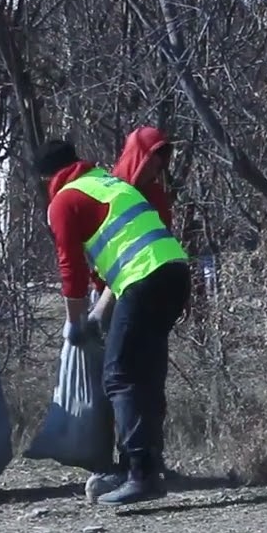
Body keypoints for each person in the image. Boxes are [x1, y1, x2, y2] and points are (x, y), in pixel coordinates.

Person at [35, 139, 192, 506]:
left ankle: (140, 474)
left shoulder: (64, 201)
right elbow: (117, 259)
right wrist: (98, 313)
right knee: (146, 375)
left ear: (47, 177)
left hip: (144, 279)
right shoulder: (109, 183)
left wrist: (75, 322)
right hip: (174, 272)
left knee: (120, 376)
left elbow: (70, 268)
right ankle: (148, 467)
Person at [81, 126, 185, 502]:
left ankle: (141, 468)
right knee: (125, 379)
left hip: (137, 290)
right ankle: (129, 465)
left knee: (132, 376)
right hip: (122, 290)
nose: (159, 165)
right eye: (154, 155)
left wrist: (99, 311)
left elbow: (139, 257)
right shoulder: (114, 192)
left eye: (163, 157)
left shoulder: (155, 197)